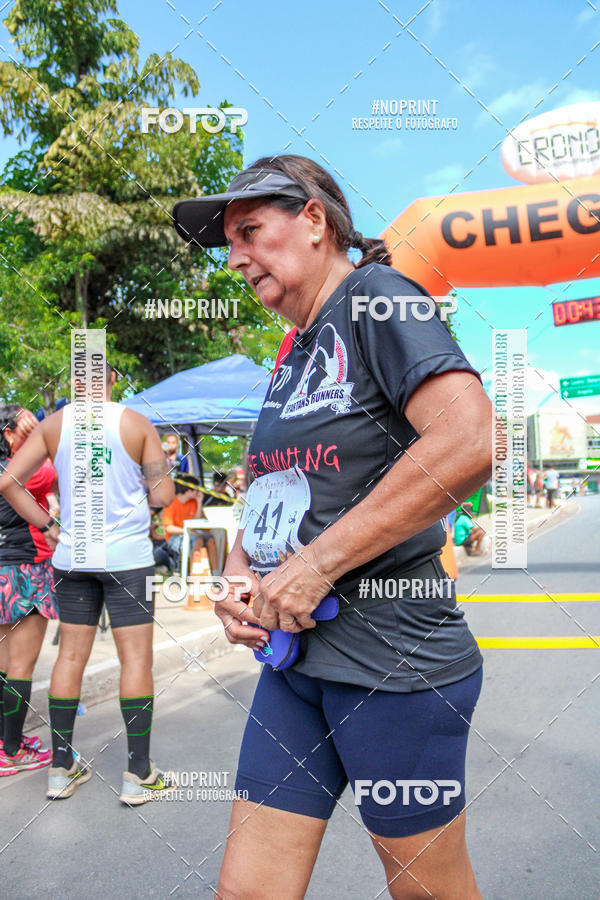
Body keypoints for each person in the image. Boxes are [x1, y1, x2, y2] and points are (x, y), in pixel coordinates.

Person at [172, 155, 493, 898]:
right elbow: (282, 484)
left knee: (425, 888)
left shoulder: (377, 299)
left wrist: (315, 565)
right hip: (296, 667)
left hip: (393, 659)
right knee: (247, 889)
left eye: (249, 231)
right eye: (229, 244)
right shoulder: (294, 351)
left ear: (315, 220)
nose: (236, 258)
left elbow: (470, 439)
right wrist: (241, 570)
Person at [0, 366, 178, 804]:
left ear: (76, 381)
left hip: (72, 558)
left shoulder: (53, 426)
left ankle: (60, 769)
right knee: (135, 659)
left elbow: (8, 481)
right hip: (127, 558)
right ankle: (139, 773)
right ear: (111, 378)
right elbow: (164, 496)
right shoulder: (136, 424)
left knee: (70, 657)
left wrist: (49, 523)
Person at [0, 406, 56, 775]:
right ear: (8, 434)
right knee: (21, 664)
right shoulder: (23, 470)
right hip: (24, 569)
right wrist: (44, 439)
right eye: (27, 428)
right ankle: (12, 752)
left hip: (4, 569)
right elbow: (54, 469)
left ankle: (6, 744)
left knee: (5, 664)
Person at [162, 475, 219, 575]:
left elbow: (198, 521)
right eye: (196, 489)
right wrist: (188, 531)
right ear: (189, 491)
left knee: (210, 540)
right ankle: (193, 574)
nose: (199, 492)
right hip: (174, 537)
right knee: (199, 540)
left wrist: (199, 502)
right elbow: (169, 528)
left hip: (192, 533)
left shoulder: (193, 502)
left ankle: (215, 574)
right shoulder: (171, 503)